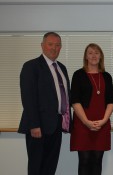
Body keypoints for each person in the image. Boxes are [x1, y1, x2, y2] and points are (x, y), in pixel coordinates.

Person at [18, 32, 72, 175]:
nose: (54, 48)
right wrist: (34, 124)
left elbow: (64, 96)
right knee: (36, 167)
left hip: (56, 126)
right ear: (42, 46)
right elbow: (28, 98)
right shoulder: (31, 66)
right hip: (38, 127)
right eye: (50, 44)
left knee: (50, 167)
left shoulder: (62, 68)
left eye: (58, 45)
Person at [70, 43, 113, 175]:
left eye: (96, 52)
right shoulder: (78, 75)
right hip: (82, 124)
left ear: (101, 56)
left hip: (102, 123)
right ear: (85, 56)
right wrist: (86, 122)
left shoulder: (106, 76)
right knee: (84, 160)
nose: (93, 55)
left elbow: (111, 101)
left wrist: (103, 121)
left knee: (97, 159)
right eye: (90, 53)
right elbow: (75, 101)